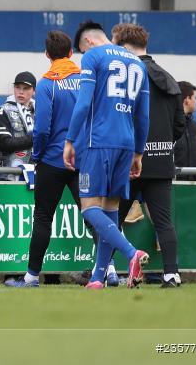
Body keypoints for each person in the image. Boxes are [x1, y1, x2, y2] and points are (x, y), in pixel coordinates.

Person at [5, 31, 97, 288]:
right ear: (71, 53)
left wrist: (37, 155)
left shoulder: (46, 83)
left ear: (47, 55)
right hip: (83, 160)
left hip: (53, 161)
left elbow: (42, 129)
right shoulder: (86, 78)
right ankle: (107, 270)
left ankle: (32, 277)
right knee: (94, 215)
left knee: (43, 217)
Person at [64, 21, 150, 289]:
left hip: (98, 140)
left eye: (79, 50)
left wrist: (70, 140)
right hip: (126, 143)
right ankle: (98, 278)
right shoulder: (138, 63)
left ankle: (131, 253)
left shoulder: (93, 57)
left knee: (89, 209)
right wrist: (138, 152)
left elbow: (84, 102)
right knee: (110, 208)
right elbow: (143, 115)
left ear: (88, 43)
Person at [111, 23, 185, 288]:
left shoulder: (124, 78)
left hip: (128, 162)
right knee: (164, 222)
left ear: (125, 47)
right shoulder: (169, 79)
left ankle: (105, 271)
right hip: (162, 162)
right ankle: (171, 274)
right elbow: (180, 126)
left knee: (112, 220)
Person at [0, 72, 36, 181]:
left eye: (26, 88)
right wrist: (35, 138)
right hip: (10, 175)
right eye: (18, 87)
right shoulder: (4, 110)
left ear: (34, 91)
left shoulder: (40, 111)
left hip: (36, 174)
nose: (21, 92)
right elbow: (4, 143)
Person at [175, 81, 196, 181]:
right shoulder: (168, 127)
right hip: (173, 190)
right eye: (194, 98)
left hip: (195, 191)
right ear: (187, 100)